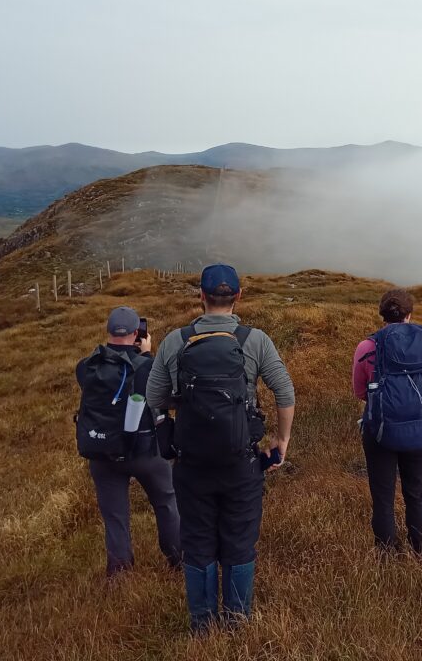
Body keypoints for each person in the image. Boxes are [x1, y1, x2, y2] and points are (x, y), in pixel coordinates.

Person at [147, 263, 295, 633]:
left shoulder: (175, 341)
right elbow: (285, 392)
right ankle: (238, 622)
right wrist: (281, 440)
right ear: (238, 297)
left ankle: (202, 625)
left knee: (197, 542)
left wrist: (185, 409)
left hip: (191, 464)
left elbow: (154, 397)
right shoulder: (254, 340)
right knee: (240, 540)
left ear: (201, 296)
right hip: (242, 463)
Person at [75, 306, 181, 577]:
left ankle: (119, 573)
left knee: (115, 516)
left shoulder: (86, 367)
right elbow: (164, 393)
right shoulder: (148, 366)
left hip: (102, 453)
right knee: (166, 502)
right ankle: (178, 558)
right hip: (145, 452)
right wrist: (146, 354)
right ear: (137, 333)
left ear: (108, 332)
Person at [352, 288, 422, 555]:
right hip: (419, 431)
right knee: (416, 494)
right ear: (409, 315)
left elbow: (359, 391)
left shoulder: (368, 347)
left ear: (382, 316)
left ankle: (387, 557)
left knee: (383, 498)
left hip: (380, 431)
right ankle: (421, 553)